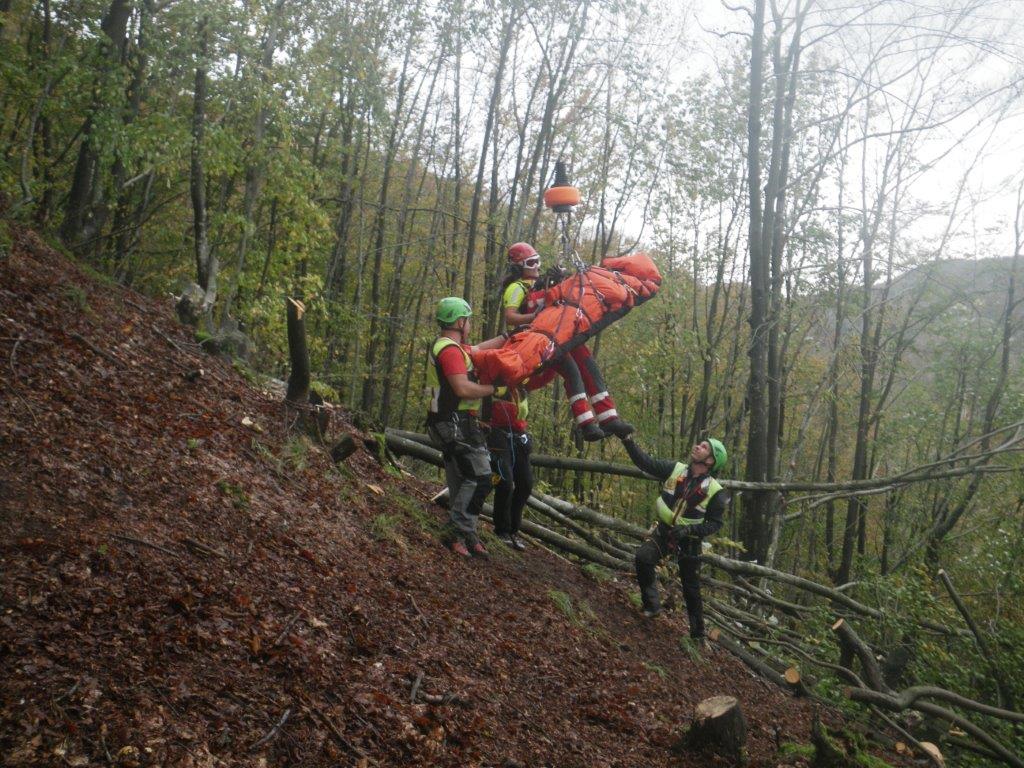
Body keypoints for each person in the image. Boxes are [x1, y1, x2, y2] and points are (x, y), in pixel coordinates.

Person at [501, 242, 634, 441]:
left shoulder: (543, 283)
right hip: (539, 339)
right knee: (571, 370)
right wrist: (538, 317)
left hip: (560, 332)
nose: (536, 266)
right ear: (519, 267)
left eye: (538, 261)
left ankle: (608, 417)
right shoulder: (516, 288)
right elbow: (510, 317)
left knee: (588, 366)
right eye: (531, 262)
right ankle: (586, 423)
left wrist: (561, 282)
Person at [621, 433, 729, 644]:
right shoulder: (676, 469)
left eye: (704, 447)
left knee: (691, 589)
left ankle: (697, 636)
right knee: (643, 558)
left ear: (710, 461)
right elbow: (645, 462)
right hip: (665, 531)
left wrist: (689, 531)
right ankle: (652, 606)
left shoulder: (716, 492)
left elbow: (715, 524)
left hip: (689, 541)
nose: (697, 446)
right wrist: (628, 440)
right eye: (699, 444)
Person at [427, 297, 509, 558]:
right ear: (460, 322)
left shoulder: (453, 347)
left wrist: (507, 337)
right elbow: (462, 388)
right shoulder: (450, 351)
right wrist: (494, 390)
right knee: (482, 478)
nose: (470, 325)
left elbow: (476, 349)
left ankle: (466, 531)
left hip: (451, 423)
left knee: (462, 478)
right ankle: (455, 530)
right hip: (454, 424)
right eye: (468, 320)